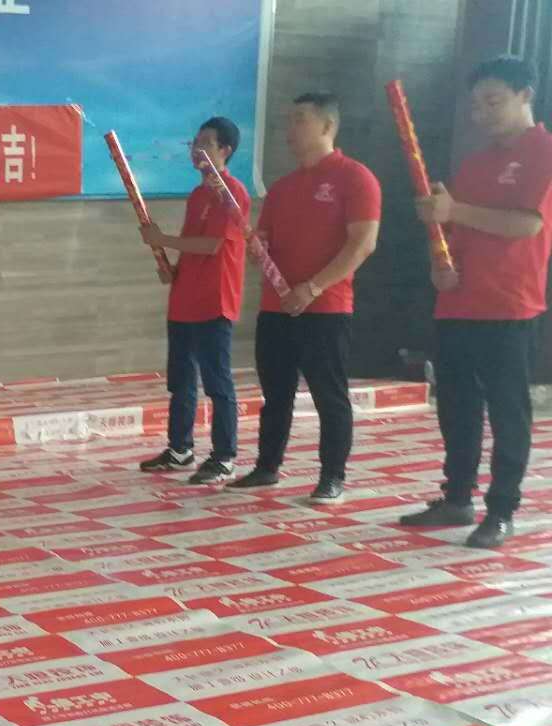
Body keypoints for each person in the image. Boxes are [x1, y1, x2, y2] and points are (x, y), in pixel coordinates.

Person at [400, 56, 552, 549]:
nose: (482, 113)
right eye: (476, 105)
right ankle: (457, 497)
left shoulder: (543, 152)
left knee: (508, 412)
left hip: (510, 306)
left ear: (526, 95)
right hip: (458, 304)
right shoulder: (475, 162)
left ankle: (502, 509)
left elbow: (526, 224)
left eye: (493, 102)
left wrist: (455, 209)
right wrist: (439, 262)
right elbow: (450, 230)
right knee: (457, 407)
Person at [228, 93, 381, 504]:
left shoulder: (356, 177)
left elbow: (362, 244)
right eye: (288, 120)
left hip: (325, 308)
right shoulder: (282, 188)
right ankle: (267, 467)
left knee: (329, 395)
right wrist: (257, 247)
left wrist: (313, 287)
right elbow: (266, 242)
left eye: (299, 120)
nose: (289, 129)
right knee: (275, 393)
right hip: (276, 308)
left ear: (328, 126)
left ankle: (332, 476)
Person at [139, 117, 249, 484]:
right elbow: (193, 248)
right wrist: (173, 270)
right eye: (195, 142)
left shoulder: (233, 194)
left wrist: (163, 240)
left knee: (218, 383)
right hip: (184, 300)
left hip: (214, 302)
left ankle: (224, 456)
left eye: (206, 143)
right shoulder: (198, 195)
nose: (197, 149)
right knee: (181, 381)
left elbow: (212, 245)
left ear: (225, 151)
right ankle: (180, 449)